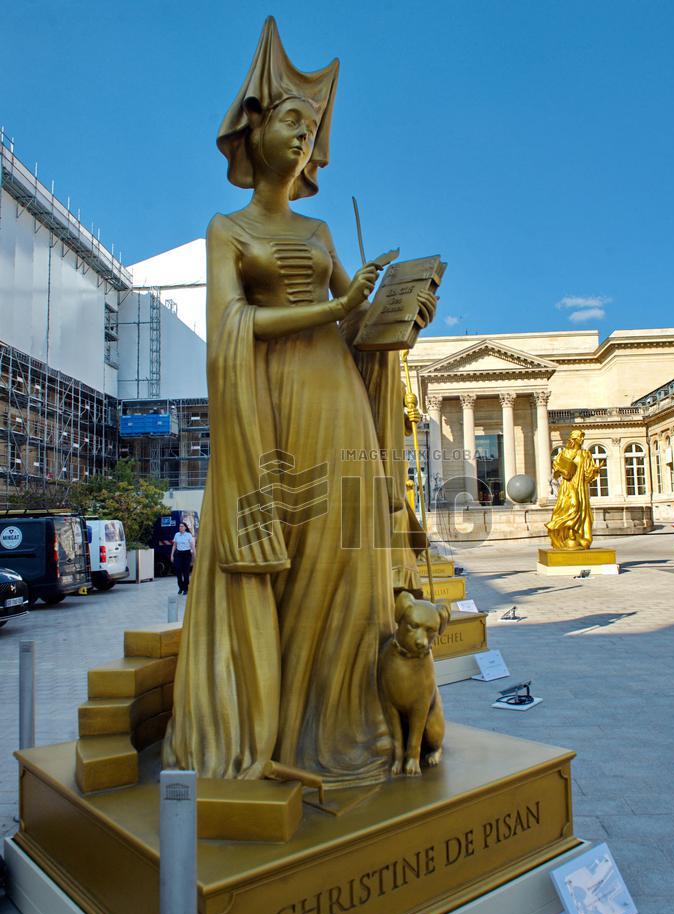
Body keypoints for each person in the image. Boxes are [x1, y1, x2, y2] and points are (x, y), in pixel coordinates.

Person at [162, 18, 436, 787]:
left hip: (336, 396)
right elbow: (228, 325)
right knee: (285, 564)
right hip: (273, 406)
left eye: (311, 125)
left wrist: (392, 313)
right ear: (254, 129)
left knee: (344, 568)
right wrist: (333, 305)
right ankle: (271, 733)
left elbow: (346, 313)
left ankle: (339, 725)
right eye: (292, 118)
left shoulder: (318, 230)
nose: (304, 133)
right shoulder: (227, 229)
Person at [545, 428, 602, 549]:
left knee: (582, 511)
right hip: (568, 486)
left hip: (581, 487)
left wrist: (594, 471)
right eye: (580, 437)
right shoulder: (564, 453)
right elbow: (556, 472)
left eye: (582, 437)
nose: (582, 439)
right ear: (574, 439)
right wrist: (560, 470)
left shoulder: (585, 454)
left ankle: (578, 535)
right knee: (572, 506)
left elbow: (587, 475)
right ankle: (566, 532)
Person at [171, 522, 195, 594]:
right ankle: (180, 587)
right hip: (178, 555)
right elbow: (174, 545)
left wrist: (194, 556)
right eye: (179, 526)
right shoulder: (177, 535)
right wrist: (172, 555)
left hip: (187, 555)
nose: (180, 527)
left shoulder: (189, 535)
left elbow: (192, 546)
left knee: (186, 573)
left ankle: (186, 589)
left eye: (182, 526)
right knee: (178, 572)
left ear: (185, 527)